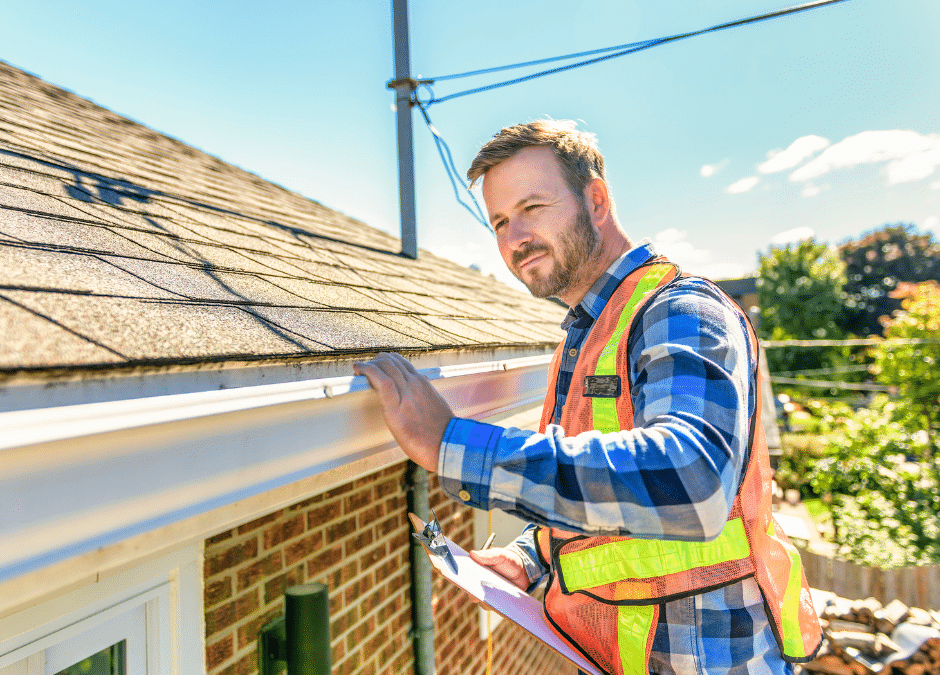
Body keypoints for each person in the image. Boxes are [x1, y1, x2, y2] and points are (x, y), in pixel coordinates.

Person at [353, 120, 821, 675]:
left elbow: (692, 481)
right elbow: (600, 486)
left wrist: (451, 445)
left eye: (532, 207)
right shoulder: (589, 334)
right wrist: (529, 556)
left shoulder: (679, 311)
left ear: (595, 200)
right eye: (500, 221)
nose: (514, 237)